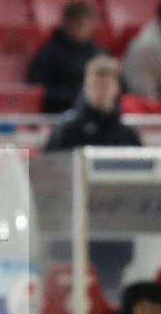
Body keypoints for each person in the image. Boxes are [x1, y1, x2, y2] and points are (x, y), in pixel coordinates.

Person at [44, 55, 140, 299]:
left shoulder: (127, 135)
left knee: (109, 298)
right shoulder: (67, 130)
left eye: (105, 85)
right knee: (67, 300)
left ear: (116, 88)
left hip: (113, 235)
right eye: (94, 85)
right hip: (71, 232)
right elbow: (47, 177)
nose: (99, 92)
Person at [26, 0, 102, 113]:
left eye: (85, 22)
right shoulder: (48, 54)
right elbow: (38, 91)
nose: (80, 27)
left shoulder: (99, 54)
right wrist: (77, 95)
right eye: (76, 22)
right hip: (57, 115)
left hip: (95, 115)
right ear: (65, 23)